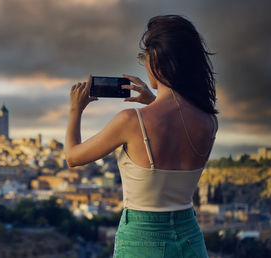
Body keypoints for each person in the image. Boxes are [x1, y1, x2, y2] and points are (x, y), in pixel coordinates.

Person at [65, 15, 217, 258]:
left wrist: (76, 109)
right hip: (191, 240)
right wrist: (155, 102)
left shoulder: (131, 121)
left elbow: (72, 157)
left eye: (143, 58)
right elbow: (176, 122)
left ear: (156, 61)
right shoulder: (209, 121)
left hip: (143, 241)